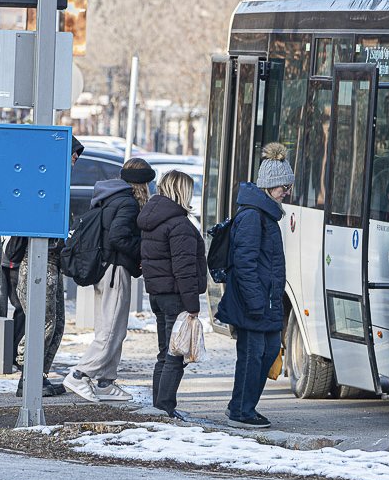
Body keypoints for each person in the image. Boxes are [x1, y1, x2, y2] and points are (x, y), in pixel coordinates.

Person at [64, 157, 154, 402]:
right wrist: (141, 252)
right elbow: (118, 237)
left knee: (111, 329)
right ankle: (80, 374)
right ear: (142, 183)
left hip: (103, 270)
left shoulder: (108, 197)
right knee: (111, 330)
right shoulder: (127, 203)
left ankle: (105, 383)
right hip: (115, 271)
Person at [216, 142, 292, 429]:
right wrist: (257, 302)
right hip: (254, 303)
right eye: (283, 186)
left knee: (270, 350)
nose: (286, 191)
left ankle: (244, 406)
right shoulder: (252, 217)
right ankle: (240, 410)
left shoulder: (266, 214)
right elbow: (245, 264)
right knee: (252, 356)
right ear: (269, 185)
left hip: (265, 301)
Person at [10, 136, 84, 398]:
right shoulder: (43, 183)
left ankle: (38, 375)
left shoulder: (58, 183)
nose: (75, 159)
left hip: (53, 261)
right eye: (73, 153)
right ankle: (27, 376)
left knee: (57, 323)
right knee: (44, 322)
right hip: (38, 260)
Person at [137, 170, 206, 418]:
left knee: (165, 352)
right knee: (175, 355)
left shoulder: (151, 219)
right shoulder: (179, 224)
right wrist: (193, 305)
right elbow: (184, 269)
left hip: (157, 294)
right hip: (176, 296)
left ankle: (159, 406)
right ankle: (165, 406)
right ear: (182, 191)